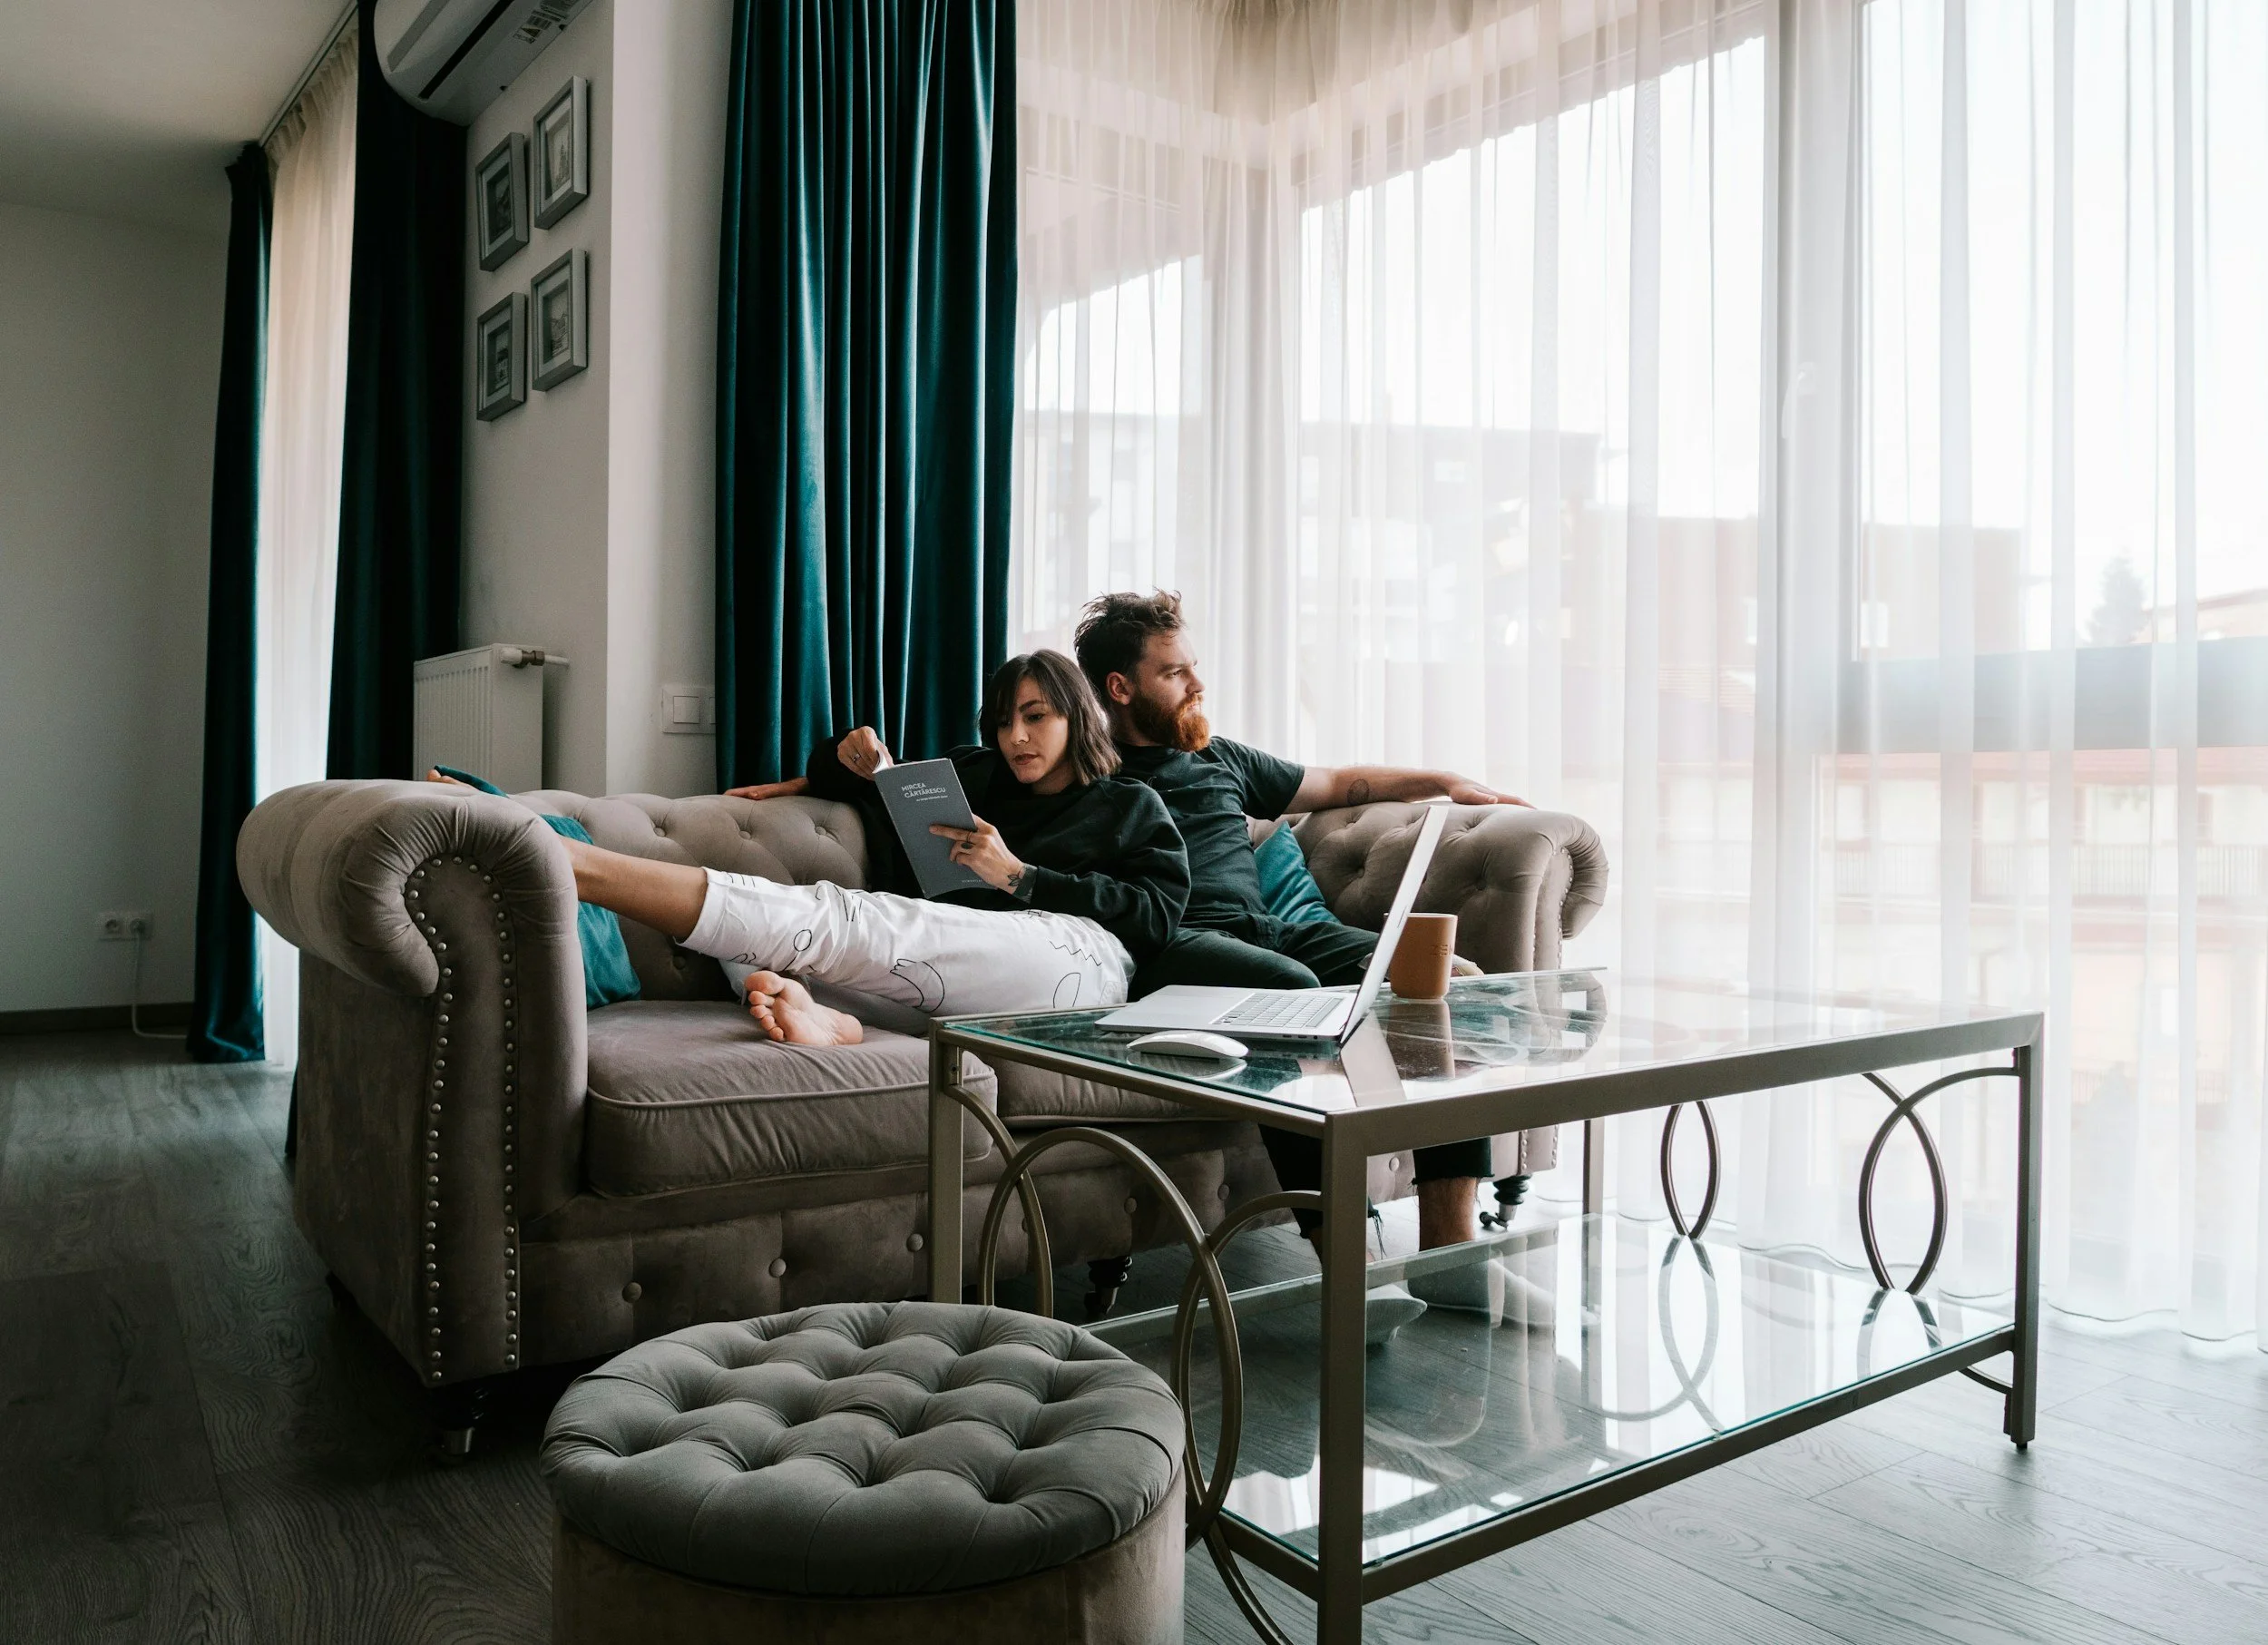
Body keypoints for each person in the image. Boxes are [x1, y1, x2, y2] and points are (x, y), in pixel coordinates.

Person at [1073, 590, 1554, 1327]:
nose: (1198, 683)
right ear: (1120, 687)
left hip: (1273, 932)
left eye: (1193, 665)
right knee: (1292, 997)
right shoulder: (1087, 775)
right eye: (1174, 672)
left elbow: (1338, 782)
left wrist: (1443, 781)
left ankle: (1451, 1255)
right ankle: (1352, 1276)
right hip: (1179, 947)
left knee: (1436, 983)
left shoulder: (1220, 757)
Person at [563, 651, 1189, 1043]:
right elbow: (868, 786)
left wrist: (1019, 876)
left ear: (1077, 715)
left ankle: (580, 865)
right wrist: (847, 752)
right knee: (758, 954)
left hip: (1079, 964)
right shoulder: (977, 775)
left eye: (1035, 716)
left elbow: (1157, 915)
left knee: (859, 923)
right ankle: (834, 1017)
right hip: (958, 976)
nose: (1016, 737)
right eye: (1003, 721)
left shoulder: (1129, 804)